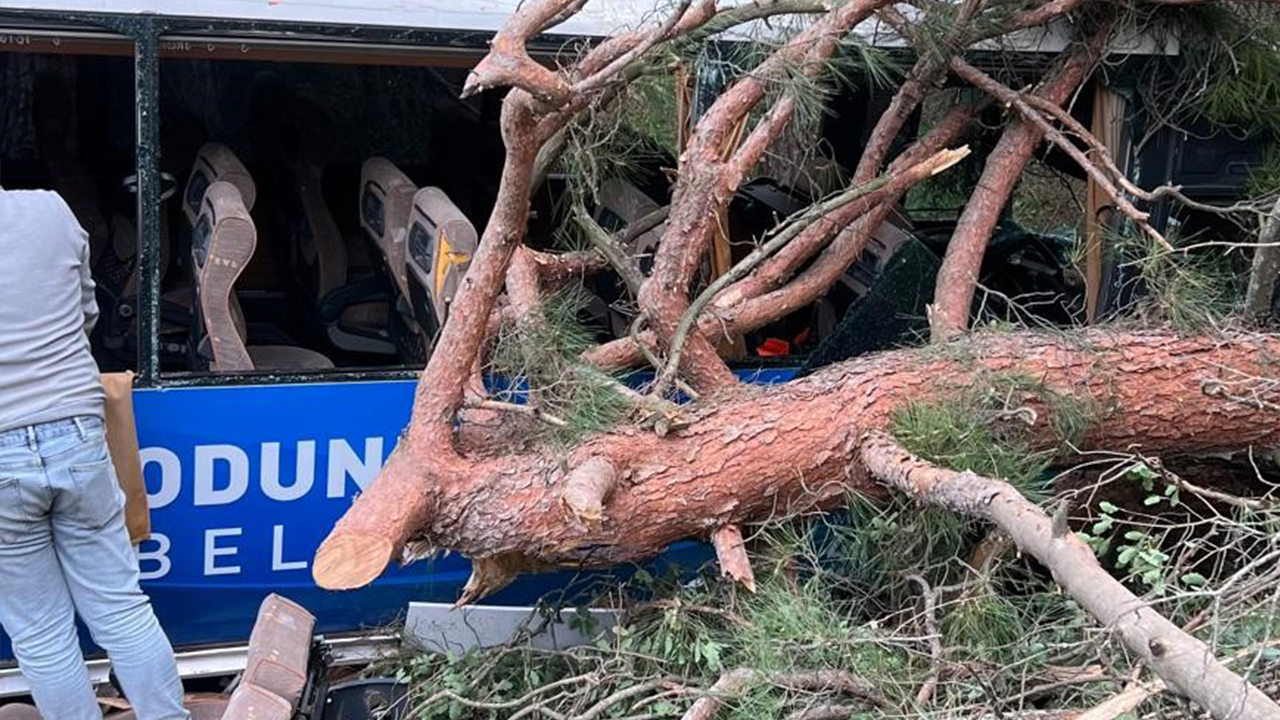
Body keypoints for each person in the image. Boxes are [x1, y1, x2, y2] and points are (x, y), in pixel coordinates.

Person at [0, 188, 189, 720]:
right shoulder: (51, 208)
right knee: (121, 608)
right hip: (77, 429)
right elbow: (87, 311)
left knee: (41, 633)